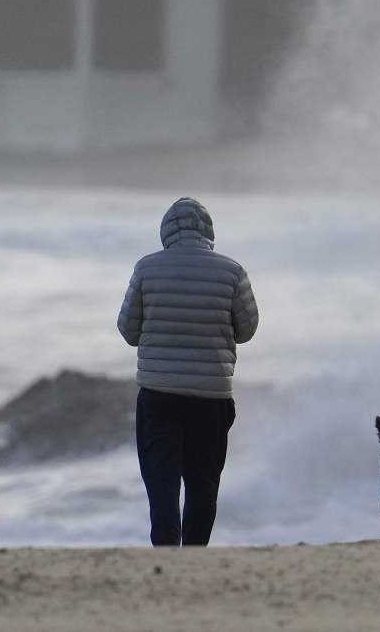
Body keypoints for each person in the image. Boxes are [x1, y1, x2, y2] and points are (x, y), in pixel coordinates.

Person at [117, 197, 259, 547]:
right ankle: (196, 553)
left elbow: (128, 330)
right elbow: (248, 329)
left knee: (162, 482)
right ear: (209, 232)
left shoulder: (146, 268)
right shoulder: (232, 271)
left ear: (165, 232)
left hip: (159, 395)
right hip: (212, 397)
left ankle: (167, 553)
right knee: (203, 482)